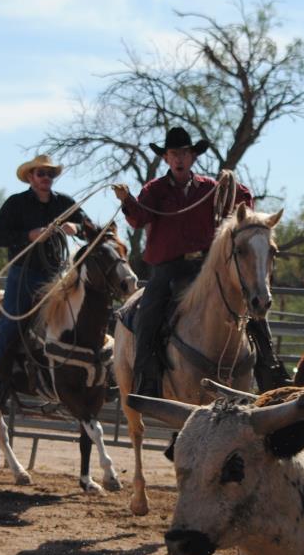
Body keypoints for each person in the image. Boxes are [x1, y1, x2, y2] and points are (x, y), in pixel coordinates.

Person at [112, 126, 285, 397]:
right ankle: (147, 379)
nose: (179, 159)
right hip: (167, 269)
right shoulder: (154, 190)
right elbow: (139, 219)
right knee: (148, 313)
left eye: (184, 153)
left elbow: (243, 203)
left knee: (252, 305)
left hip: (205, 267)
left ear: (193, 157)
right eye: (173, 154)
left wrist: (232, 183)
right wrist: (127, 201)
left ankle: (270, 372)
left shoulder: (209, 188)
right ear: (166, 159)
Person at [0, 153, 97, 407]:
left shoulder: (65, 203)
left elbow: (90, 229)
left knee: (74, 319)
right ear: (31, 177)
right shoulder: (16, 203)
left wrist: (77, 228)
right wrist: (29, 235)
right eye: (41, 173)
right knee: (12, 323)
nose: (46, 178)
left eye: (50, 174)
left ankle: (80, 376)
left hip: (56, 274)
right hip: (24, 273)